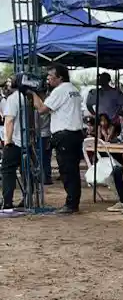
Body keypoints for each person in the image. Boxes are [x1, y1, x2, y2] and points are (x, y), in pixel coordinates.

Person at [31, 65, 85, 214]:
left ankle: (71, 205)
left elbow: (42, 109)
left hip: (65, 135)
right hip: (75, 134)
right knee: (72, 170)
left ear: (60, 77)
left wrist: (33, 93)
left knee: (67, 171)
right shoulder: (73, 89)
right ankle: (73, 202)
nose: (48, 79)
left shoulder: (60, 90)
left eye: (50, 76)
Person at [1, 89, 27, 210]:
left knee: (7, 172)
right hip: (27, 140)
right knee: (26, 171)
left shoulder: (13, 99)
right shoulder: (29, 97)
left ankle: (7, 202)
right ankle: (28, 198)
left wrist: (8, 141)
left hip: (15, 141)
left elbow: (9, 121)